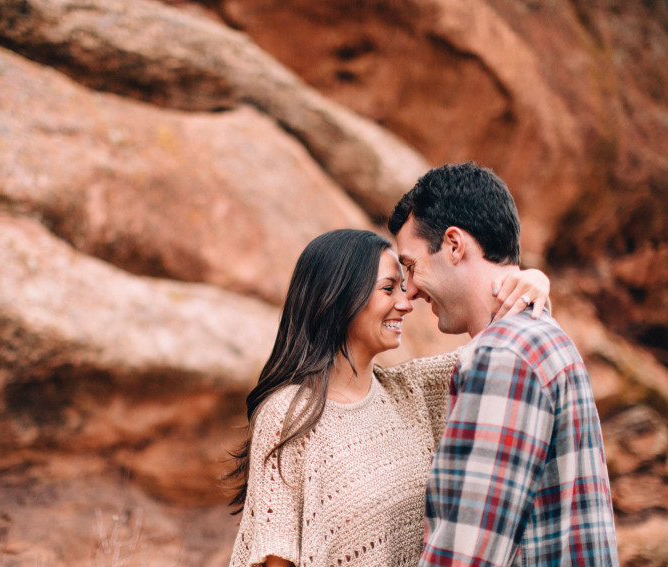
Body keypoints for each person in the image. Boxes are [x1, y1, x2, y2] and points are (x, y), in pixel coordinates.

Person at [227, 228, 550, 567]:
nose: (405, 302)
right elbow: (276, 559)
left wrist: (534, 281)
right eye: (388, 288)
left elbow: (502, 347)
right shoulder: (287, 415)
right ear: (338, 296)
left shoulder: (414, 390)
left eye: (403, 287)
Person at [388, 162, 619, 567]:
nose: (410, 291)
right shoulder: (543, 336)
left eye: (410, 266)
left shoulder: (501, 356)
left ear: (454, 245)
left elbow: (467, 549)